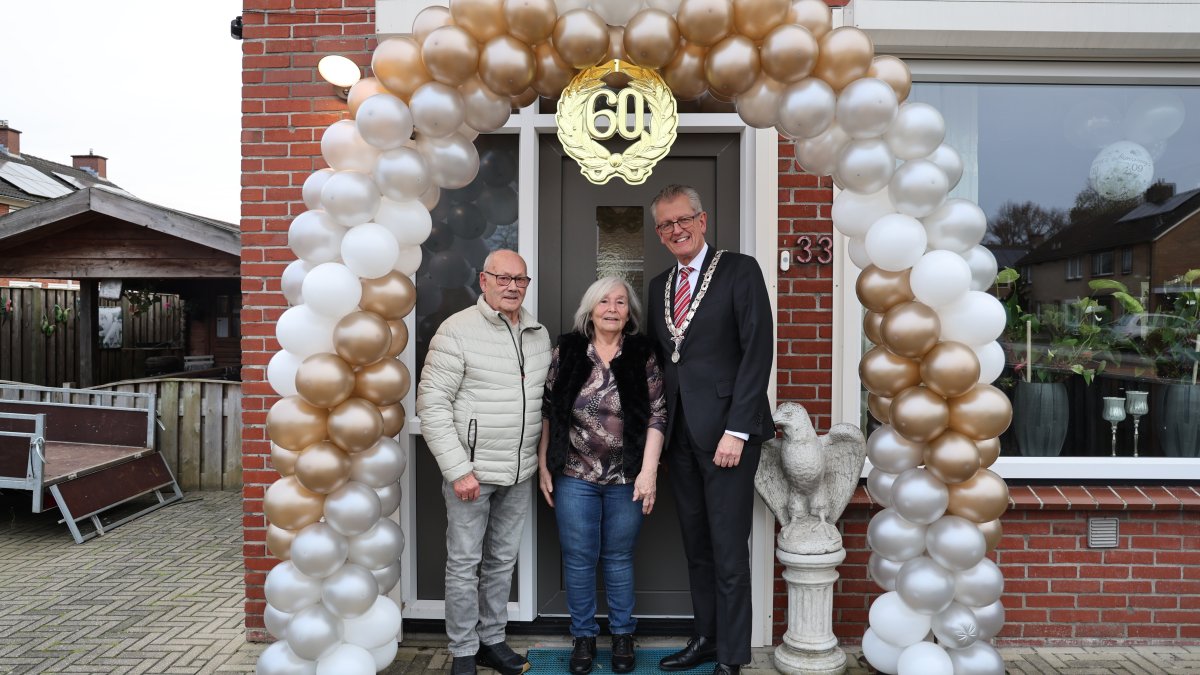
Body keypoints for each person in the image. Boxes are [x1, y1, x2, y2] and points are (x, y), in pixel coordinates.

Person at [646, 185, 774, 675]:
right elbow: (661, 360)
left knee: (727, 549)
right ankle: (704, 637)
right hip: (679, 434)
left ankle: (732, 656)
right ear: (659, 234)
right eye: (666, 225)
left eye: (684, 220)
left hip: (727, 438)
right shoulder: (659, 285)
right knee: (696, 545)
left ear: (702, 220)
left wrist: (738, 430)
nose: (676, 230)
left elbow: (756, 352)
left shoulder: (740, 270)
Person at [417, 249, 552, 675]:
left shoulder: (538, 333)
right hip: (471, 474)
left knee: (501, 562)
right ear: (484, 281)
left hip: (518, 472)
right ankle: (462, 650)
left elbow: (543, 405)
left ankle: (492, 640)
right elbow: (432, 405)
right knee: (464, 563)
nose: (513, 286)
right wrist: (458, 469)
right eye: (503, 278)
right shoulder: (456, 331)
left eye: (520, 280)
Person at [537, 276, 667, 675]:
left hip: (627, 477)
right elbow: (549, 409)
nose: (612, 308)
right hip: (574, 474)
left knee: (618, 557)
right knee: (578, 559)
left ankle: (624, 635)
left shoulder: (642, 352)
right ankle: (583, 637)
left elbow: (658, 414)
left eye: (621, 302)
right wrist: (544, 464)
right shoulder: (570, 349)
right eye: (604, 301)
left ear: (629, 312)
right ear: (590, 309)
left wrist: (649, 472)